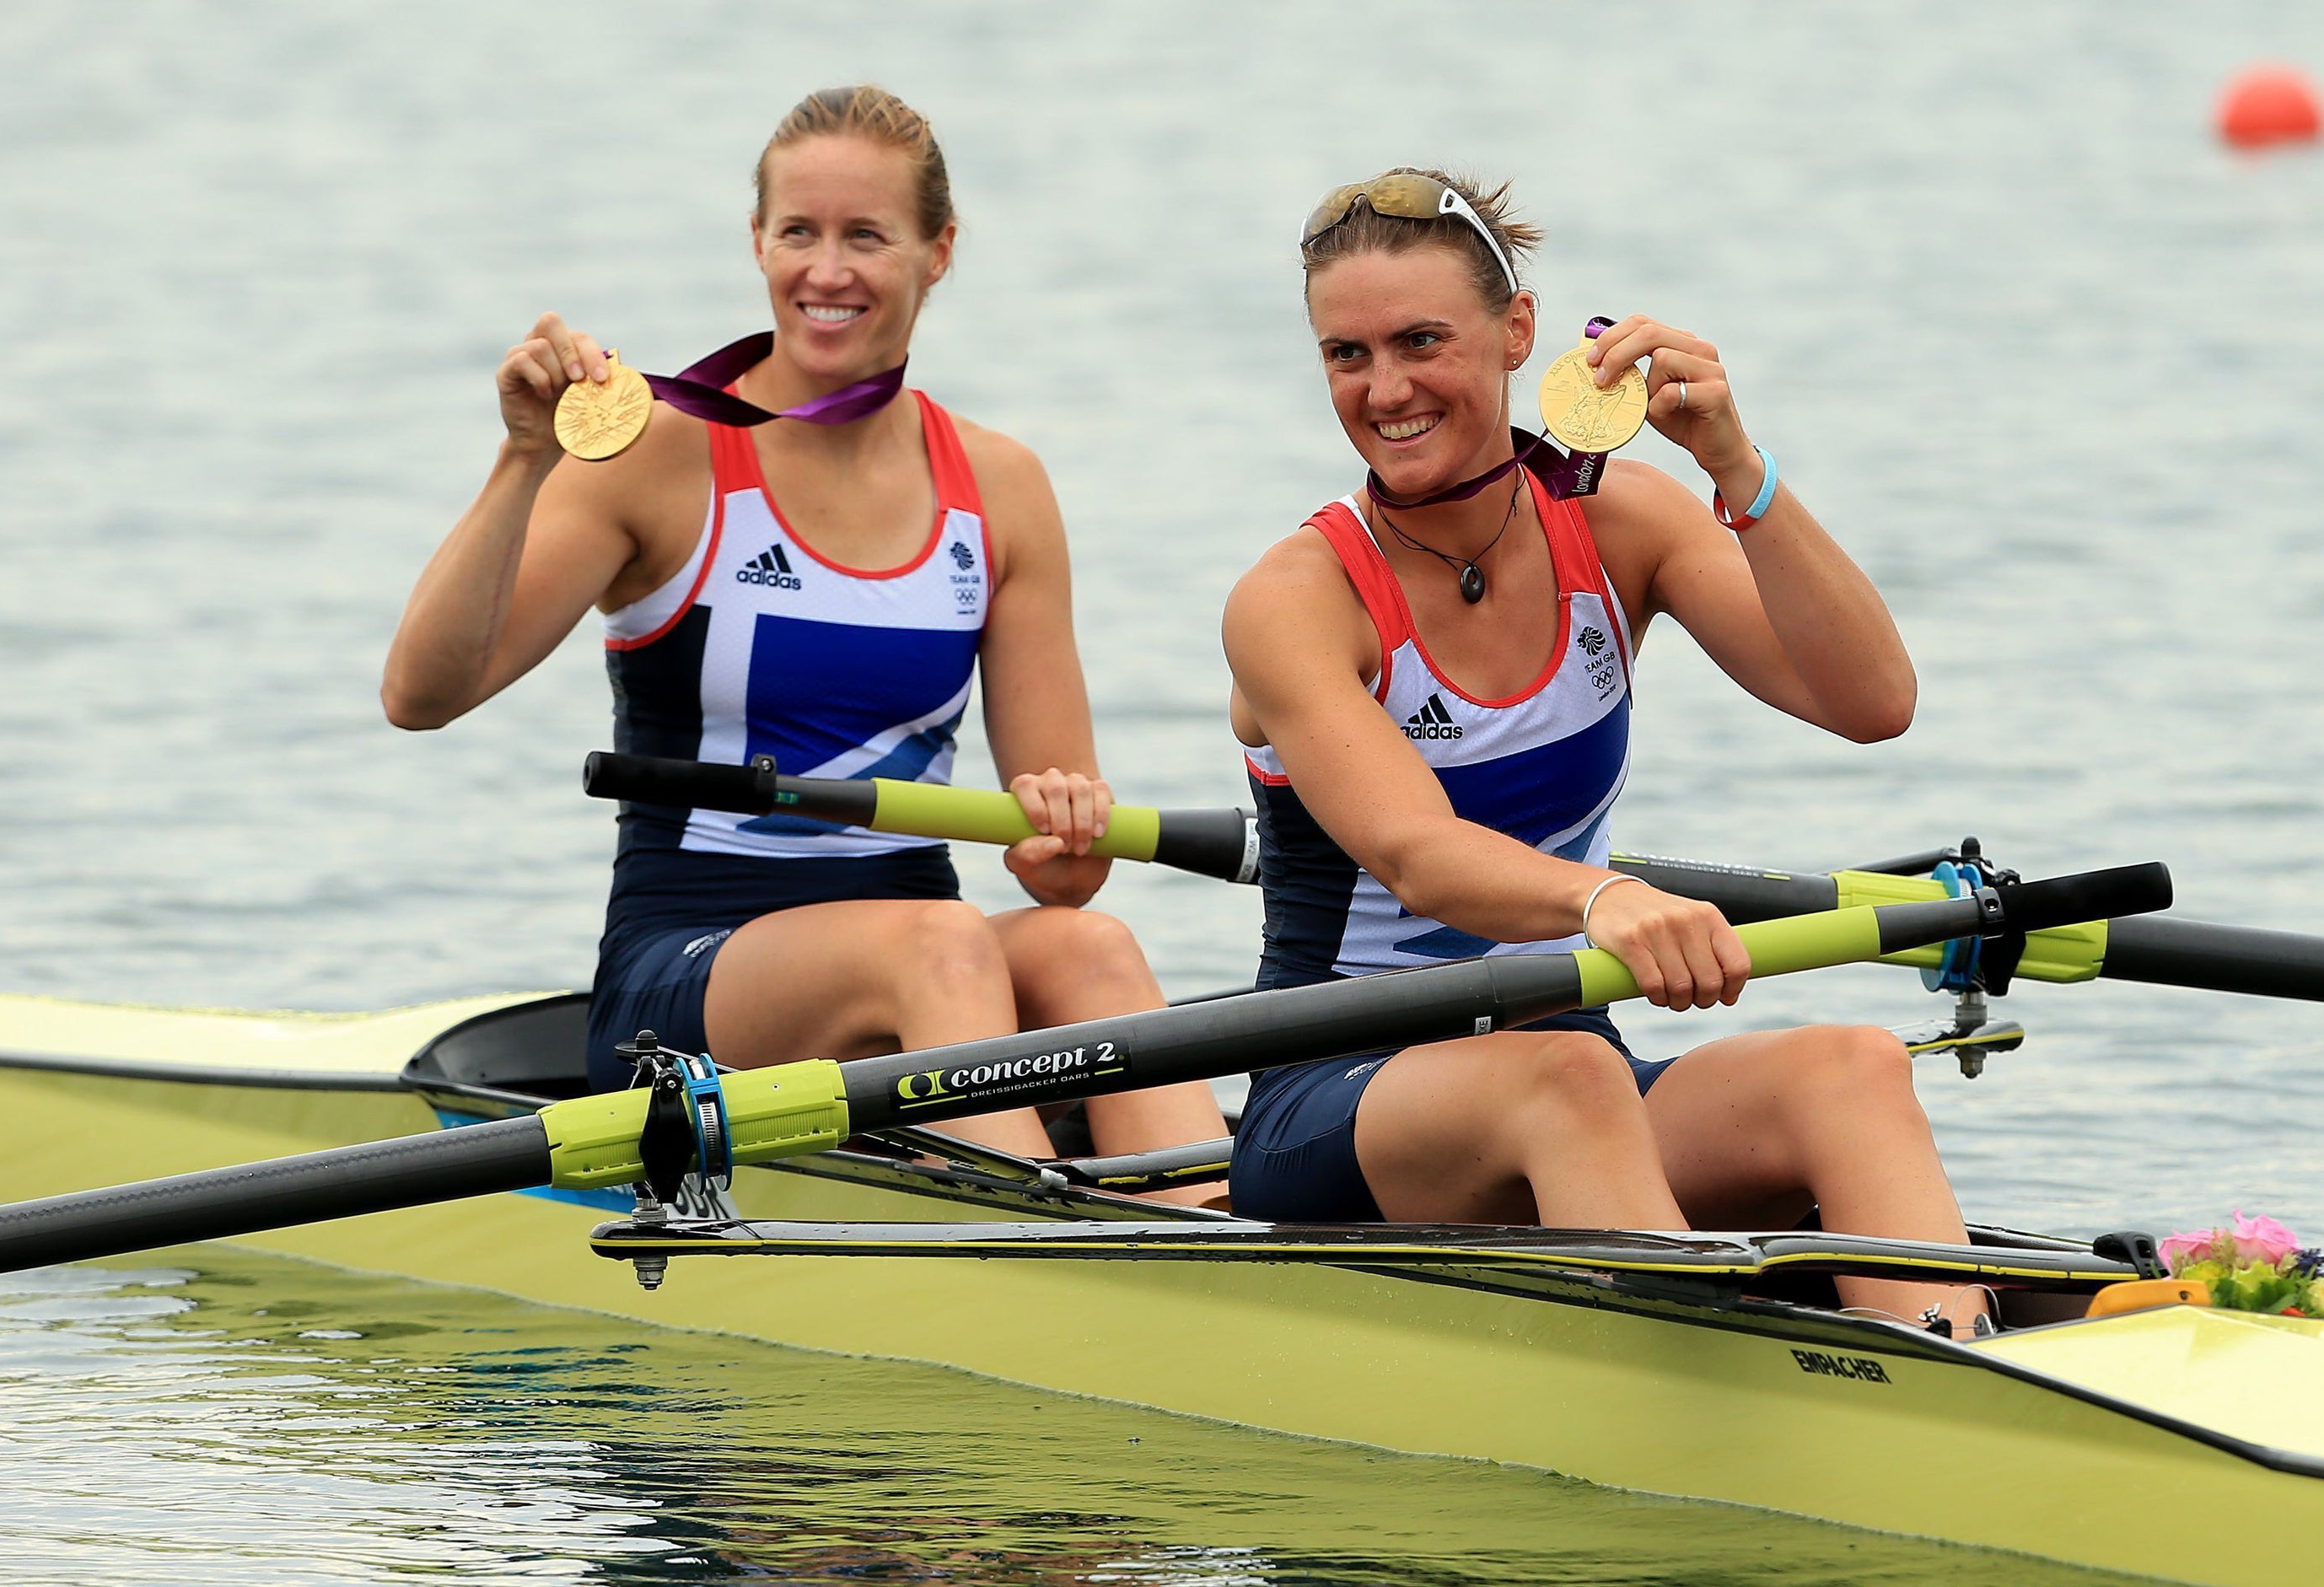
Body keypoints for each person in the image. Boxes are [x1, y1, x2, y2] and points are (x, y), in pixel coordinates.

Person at [382, 85, 1224, 1184]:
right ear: (759, 243)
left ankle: (1217, 1228)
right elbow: (423, 692)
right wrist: (523, 459)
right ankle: (1066, 1254)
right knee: (946, 941)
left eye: (867, 236)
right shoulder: (661, 457)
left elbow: (1061, 875)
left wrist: (1065, 836)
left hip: (926, 963)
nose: (827, 271)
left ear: (939, 252)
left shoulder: (1002, 490)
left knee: (1088, 948)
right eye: (800, 233)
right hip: (686, 971)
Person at [1222, 169, 1991, 1328]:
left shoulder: (1623, 522)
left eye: (1422, 341)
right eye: (1347, 355)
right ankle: (1723, 1409)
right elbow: (1418, 855)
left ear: (1516, 331)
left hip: (1570, 1076)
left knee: (1854, 1065)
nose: (1385, 390)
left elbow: (1873, 699)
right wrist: (1605, 899)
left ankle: (1957, 1373)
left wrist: (1735, 464)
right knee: (1569, 1076)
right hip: (1335, 1097)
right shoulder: (1299, 596)